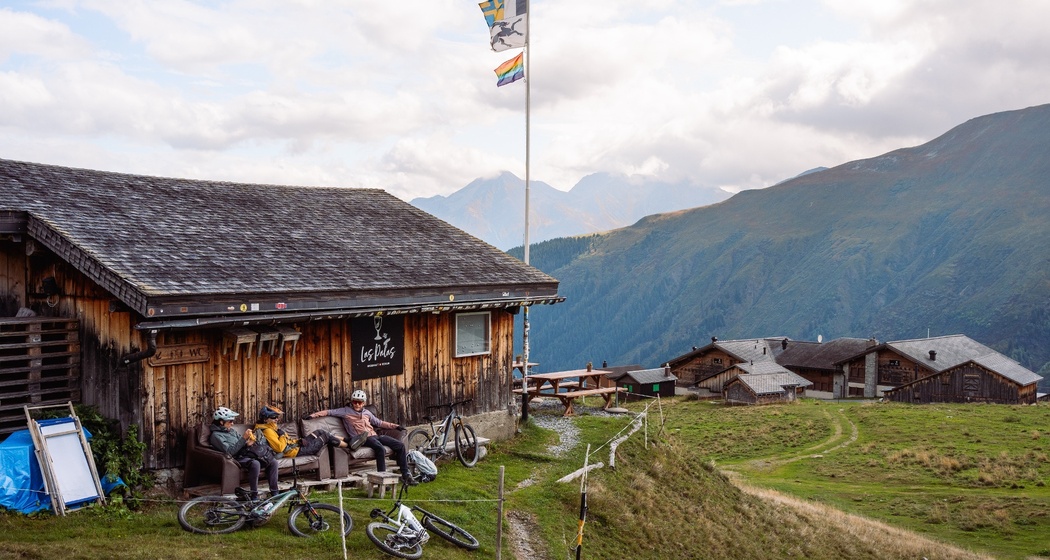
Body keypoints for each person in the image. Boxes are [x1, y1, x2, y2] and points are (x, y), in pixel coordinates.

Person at [307, 390, 416, 486]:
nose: (357, 404)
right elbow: (329, 412)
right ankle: (382, 479)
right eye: (355, 402)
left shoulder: (367, 413)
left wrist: (396, 426)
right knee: (380, 448)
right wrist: (313, 415)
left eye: (360, 402)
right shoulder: (345, 411)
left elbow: (379, 422)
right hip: (361, 439)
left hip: (375, 436)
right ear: (352, 401)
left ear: (364, 403)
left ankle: (406, 474)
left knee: (400, 445)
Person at [209, 406, 279, 501]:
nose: (232, 424)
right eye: (230, 421)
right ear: (221, 422)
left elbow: (241, 444)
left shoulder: (231, 431)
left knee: (273, 462)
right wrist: (243, 439)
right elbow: (230, 452)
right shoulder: (216, 436)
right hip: (234, 459)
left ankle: (275, 493)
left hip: (245, 453)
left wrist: (248, 443)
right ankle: (254, 495)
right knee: (255, 464)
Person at [254, 404, 350, 457]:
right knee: (325, 436)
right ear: (265, 419)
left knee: (320, 431)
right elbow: (279, 448)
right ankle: (349, 445)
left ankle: (348, 440)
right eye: (274, 417)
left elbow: (287, 442)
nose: (277, 419)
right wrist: (283, 435)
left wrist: (297, 441)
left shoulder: (271, 427)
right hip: (296, 451)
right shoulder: (267, 431)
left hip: (296, 446)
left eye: (277, 417)